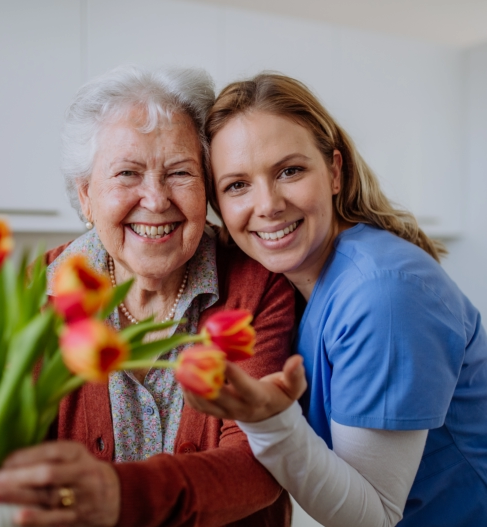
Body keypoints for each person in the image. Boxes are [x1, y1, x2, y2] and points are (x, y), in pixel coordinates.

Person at [0, 66, 296, 527]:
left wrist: (121, 495)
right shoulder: (40, 293)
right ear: (86, 195)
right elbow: (3, 452)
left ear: (206, 188)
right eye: (128, 173)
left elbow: (263, 461)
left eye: (179, 173)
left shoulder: (257, 286)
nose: (155, 199)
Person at [185, 73, 487, 526]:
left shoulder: (381, 295)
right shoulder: (293, 281)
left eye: (290, 171)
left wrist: (269, 422)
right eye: (237, 186)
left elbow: (374, 517)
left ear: (334, 172)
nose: (267, 205)